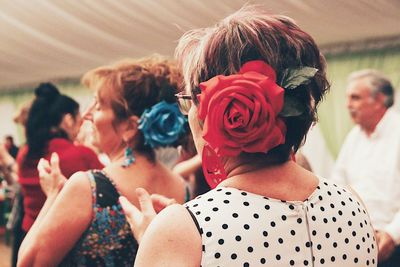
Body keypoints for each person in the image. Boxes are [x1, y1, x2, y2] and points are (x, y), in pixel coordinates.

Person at [120, 6, 378, 266]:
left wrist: (160, 242)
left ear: (213, 110)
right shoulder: (352, 204)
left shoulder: (183, 231)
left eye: (189, 100)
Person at [18, 56, 189, 266]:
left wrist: (54, 194)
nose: (88, 115)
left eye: (98, 106)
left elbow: (28, 263)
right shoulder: (183, 189)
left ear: (130, 126)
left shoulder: (90, 187)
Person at [15, 83, 103, 265]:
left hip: (29, 235)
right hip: (65, 245)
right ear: (68, 120)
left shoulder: (25, 154)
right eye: (79, 119)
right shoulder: (80, 155)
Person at [331, 69, 400, 266]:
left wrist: (392, 234)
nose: (348, 105)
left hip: (393, 242)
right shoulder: (354, 137)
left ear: (378, 99)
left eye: (355, 98)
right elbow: (338, 186)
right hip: (357, 241)